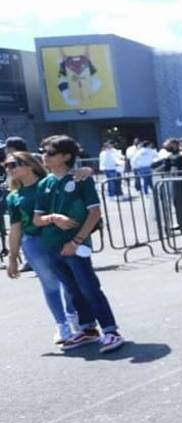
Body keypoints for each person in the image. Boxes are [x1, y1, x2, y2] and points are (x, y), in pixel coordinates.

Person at [32, 135, 126, 353]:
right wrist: (54, 218)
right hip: (52, 245)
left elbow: (94, 213)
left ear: (66, 156)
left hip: (75, 245)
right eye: (43, 151)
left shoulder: (81, 179)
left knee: (88, 286)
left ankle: (110, 330)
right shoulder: (45, 184)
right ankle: (87, 329)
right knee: (73, 289)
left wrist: (76, 241)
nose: (44, 156)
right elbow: (37, 219)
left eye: (50, 152)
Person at [5, 151, 93, 347]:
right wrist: (12, 257)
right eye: (7, 166)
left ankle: (74, 317)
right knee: (50, 284)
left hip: (56, 237)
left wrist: (87, 170)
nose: (10, 169)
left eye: (14, 164)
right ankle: (61, 324)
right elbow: (16, 228)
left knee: (70, 282)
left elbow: (75, 175)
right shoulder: (13, 197)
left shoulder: (48, 183)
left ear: (29, 165)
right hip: (33, 242)